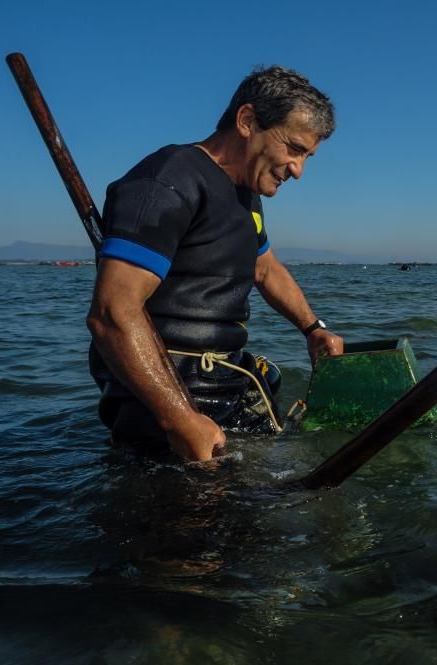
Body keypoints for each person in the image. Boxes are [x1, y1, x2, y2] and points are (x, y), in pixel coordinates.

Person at [87, 65, 343, 462]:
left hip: (228, 381)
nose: (299, 170)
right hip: (167, 394)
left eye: (307, 156)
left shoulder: (246, 193)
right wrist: (178, 419)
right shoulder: (167, 181)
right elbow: (111, 312)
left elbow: (265, 268)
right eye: (293, 148)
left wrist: (312, 328)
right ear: (247, 121)